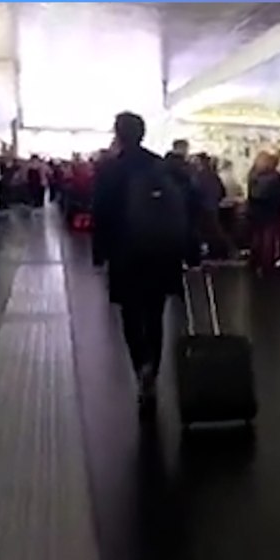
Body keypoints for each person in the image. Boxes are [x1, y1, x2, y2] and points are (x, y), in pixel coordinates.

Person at [93, 112, 202, 404]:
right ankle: (152, 368)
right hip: (162, 251)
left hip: (125, 252)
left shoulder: (111, 170)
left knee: (130, 314)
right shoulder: (163, 166)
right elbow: (188, 207)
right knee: (155, 313)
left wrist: (99, 253)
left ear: (118, 133)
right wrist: (190, 249)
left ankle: (140, 364)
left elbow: (100, 212)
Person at [247, 151, 280, 274]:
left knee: (256, 237)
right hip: (271, 211)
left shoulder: (252, 174)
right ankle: (267, 265)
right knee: (269, 239)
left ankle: (254, 262)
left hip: (255, 211)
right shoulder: (275, 177)